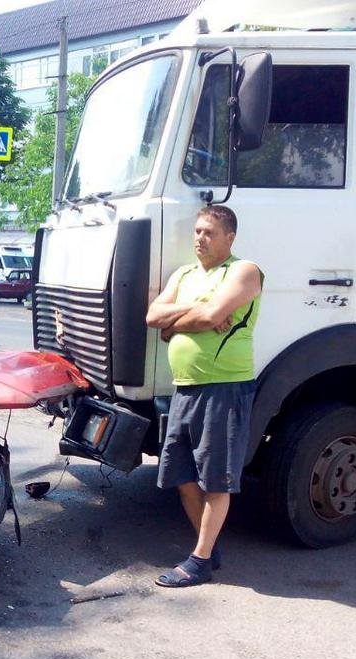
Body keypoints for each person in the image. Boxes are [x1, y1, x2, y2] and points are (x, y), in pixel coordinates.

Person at [144, 205, 263, 588]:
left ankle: (199, 560)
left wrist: (174, 324)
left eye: (209, 232)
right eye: (197, 231)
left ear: (230, 237)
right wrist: (194, 310)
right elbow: (152, 316)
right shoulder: (185, 274)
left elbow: (214, 317)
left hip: (224, 387)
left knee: (216, 479)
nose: (200, 238)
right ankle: (207, 549)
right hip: (186, 388)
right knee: (181, 475)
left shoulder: (244, 271)